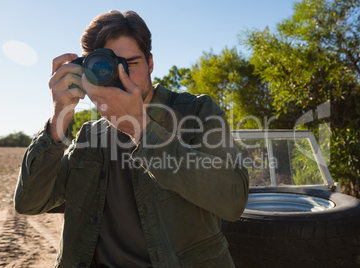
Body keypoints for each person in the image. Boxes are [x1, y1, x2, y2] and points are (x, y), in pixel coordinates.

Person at [14, 10, 249, 268]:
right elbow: (29, 202)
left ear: (150, 63)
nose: (118, 76)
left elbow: (233, 200)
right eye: (104, 67)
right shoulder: (90, 135)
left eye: (130, 64)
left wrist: (141, 129)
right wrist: (60, 116)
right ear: (84, 71)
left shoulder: (197, 112)